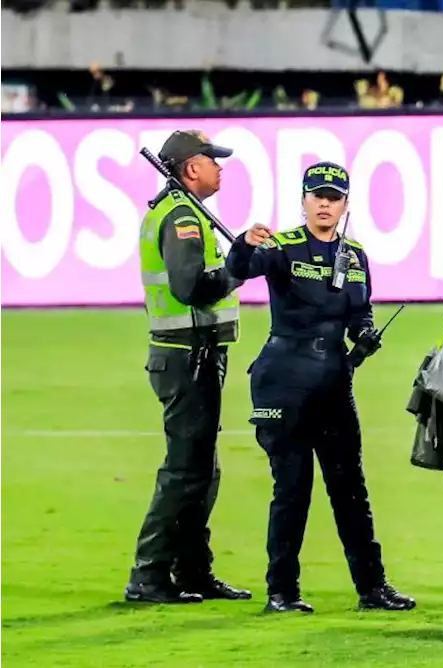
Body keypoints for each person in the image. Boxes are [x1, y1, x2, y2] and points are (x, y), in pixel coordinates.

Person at [226, 161, 414, 614]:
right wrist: (241, 243)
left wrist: (365, 334)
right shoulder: (281, 247)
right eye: (318, 195)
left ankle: (373, 588)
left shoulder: (355, 257)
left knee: (351, 488)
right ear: (304, 201)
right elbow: (242, 269)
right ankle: (282, 592)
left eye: (334, 196)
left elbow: (359, 311)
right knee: (292, 488)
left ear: (346, 204)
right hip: (284, 379)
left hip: (333, 379)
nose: (325, 203)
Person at [125, 130, 252, 605]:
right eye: (212, 160)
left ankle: (193, 571)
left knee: (201, 469)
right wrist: (241, 268)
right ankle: (149, 575)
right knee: (185, 471)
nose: (220, 167)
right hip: (188, 355)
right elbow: (190, 288)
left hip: (186, 353)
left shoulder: (176, 210)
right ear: (190, 168)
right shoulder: (182, 216)